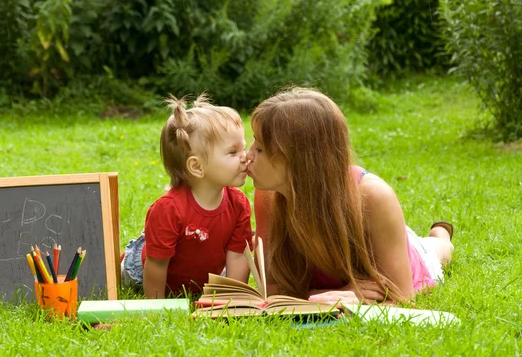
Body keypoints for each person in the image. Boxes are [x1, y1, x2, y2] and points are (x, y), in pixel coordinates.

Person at [246, 87, 454, 305]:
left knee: (437, 252)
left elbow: (402, 297)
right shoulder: (269, 194)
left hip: (405, 254)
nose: (247, 155)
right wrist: (331, 295)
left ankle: (440, 235)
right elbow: (269, 289)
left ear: (299, 160)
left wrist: (336, 295)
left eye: (260, 149)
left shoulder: (375, 196)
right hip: (340, 275)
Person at [121, 94, 252, 298]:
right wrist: (157, 306)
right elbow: (156, 263)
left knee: (224, 273)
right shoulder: (169, 209)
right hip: (144, 269)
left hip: (205, 272)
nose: (245, 157)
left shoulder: (239, 204)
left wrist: (233, 301)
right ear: (197, 166)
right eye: (233, 152)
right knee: (131, 269)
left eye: (243, 147)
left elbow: (237, 257)